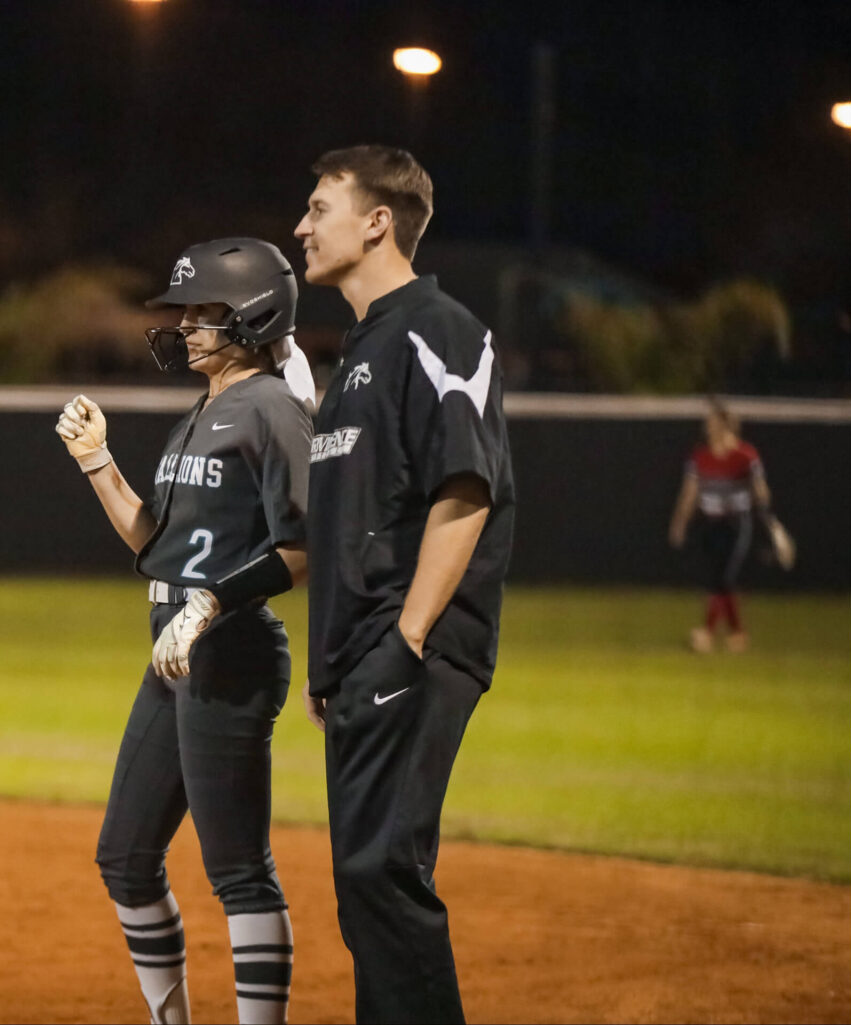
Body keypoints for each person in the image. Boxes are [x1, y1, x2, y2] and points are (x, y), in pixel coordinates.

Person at [54, 238, 315, 1025]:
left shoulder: (271, 406)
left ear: (253, 314)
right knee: (126, 858)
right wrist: (99, 462)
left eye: (205, 312)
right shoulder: (203, 411)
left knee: (237, 868)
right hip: (173, 647)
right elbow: (153, 543)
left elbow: (304, 548)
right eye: (188, 314)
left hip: (230, 652)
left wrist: (209, 606)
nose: (188, 327)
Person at [292, 145, 515, 1024]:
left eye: (318, 208)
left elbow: (466, 487)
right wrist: (334, 662)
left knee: (378, 869)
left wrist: (407, 637)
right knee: (365, 883)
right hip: (362, 656)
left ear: (377, 221)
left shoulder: (439, 329)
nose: (300, 226)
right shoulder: (359, 353)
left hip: (412, 645)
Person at [667, 397, 775, 653]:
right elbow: (689, 493)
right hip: (710, 524)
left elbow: (762, 491)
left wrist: (760, 496)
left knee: (723, 578)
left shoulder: (745, 456)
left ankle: (706, 634)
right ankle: (737, 634)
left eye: (712, 423)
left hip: (737, 524)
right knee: (719, 581)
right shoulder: (700, 457)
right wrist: (679, 522)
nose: (708, 428)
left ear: (726, 425)